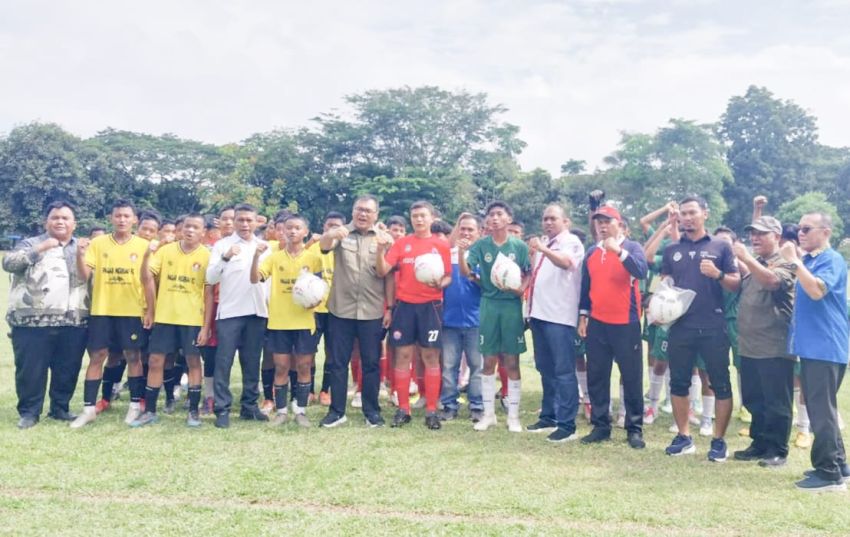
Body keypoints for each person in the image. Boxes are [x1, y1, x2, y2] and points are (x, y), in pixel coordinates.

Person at [659, 196, 740, 461]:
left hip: (713, 325)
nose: (687, 217)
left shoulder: (721, 246)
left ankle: (718, 441)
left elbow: (736, 283)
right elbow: (664, 282)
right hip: (681, 326)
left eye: (692, 212)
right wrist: (659, 303)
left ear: (705, 213)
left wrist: (718, 274)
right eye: (683, 213)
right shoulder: (672, 249)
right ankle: (684, 437)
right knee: (679, 382)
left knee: (720, 383)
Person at [3, 201, 89, 429]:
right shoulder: (31, 243)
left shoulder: (82, 247)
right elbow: (8, 263)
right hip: (32, 321)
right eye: (55, 218)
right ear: (46, 222)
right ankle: (29, 413)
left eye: (65, 218)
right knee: (30, 370)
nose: (60, 222)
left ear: (74, 224)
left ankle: (60, 408)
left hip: (73, 321)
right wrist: (40, 249)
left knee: (68, 368)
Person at [781, 212, 850, 492]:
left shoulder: (831, 259)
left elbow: (817, 291)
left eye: (807, 228)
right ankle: (840, 464)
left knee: (821, 410)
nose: (801, 233)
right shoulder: (810, 260)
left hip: (825, 345)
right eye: (799, 228)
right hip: (813, 346)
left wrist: (795, 261)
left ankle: (828, 473)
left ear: (825, 232)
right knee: (821, 407)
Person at [71, 199, 150, 428]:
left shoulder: (143, 245)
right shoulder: (98, 244)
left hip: (131, 310)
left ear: (134, 219)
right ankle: (88, 409)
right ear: (111, 218)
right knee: (97, 356)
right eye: (118, 216)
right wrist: (80, 255)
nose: (122, 220)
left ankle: (134, 405)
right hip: (102, 310)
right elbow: (85, 276)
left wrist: (149, 310)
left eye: (126, 216)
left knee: (133, 356)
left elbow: (148, 281)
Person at [376, 200, 452, 429]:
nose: (418, 219)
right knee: (403, 356)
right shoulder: (402, 244)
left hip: (431, 307)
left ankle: (431, 410)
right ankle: (403, 409)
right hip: (405, 307)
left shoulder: (441, 245)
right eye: (415, 216)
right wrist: (380, 249)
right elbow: (383, 271)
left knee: (430, 357)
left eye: (423, 215)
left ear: (432, 218)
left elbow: (448, 276)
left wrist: (440, 283)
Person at [319, 195, 392, 428]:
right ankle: (337, 411)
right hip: (341, 309)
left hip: (372, 310)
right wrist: (330, 234)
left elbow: (387, 275)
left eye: (368, 211)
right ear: (352, 211)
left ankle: (372, 412)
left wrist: (390, 308)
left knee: (371, 363)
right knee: (338, 362)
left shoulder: (384, 239)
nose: (363, 214)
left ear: (376, 215)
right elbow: (324, 247)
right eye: (359, 209)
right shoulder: (342, 234)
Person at [578, 206, 648, 449]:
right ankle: (601, 425)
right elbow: (586, 287)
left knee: (631, 377)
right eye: (599, 222)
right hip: (598, 322)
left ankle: (634, 428)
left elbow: (641, 271)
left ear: (619, 224)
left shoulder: (632, 247)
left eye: (607, 221)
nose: (602, 226)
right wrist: (583, 315)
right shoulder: (592, 252)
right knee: (597, 375)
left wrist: (618, 252)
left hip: (626, 322)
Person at [132, 213, 211, 427]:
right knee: (155, 360)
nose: (190, 230)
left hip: (192, 319)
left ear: (203, 232)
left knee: (193, 362)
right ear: (180, 229)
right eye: (187, 226)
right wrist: (148, 254)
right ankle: (149, 411)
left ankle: (193, 411)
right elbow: (146, 277)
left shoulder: (207, 256)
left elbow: (208, 294)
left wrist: (205, 327)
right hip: (165, 317)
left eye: (195, 227)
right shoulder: (165, 251)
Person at [459, 200, 531, 432]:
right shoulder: (481, 245)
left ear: (508, 218)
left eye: (499, 214)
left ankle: (513, 417)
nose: (494, 218)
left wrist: (521, 290)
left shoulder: (519, 246)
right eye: (491, 215)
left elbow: (528, 272)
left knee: (511, 361)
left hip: (511, 307)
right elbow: (467, 271)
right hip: (489, 305)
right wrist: (460, 252)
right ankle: (488, 415)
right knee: (488, 360)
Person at [730, 216, 796, 467]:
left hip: (773, 345)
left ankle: (777, 449)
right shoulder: (757, 262)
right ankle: (759, 443)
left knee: (776, 401)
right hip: (750, 345)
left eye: (761, 234)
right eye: (753, 233)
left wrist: (746, 258)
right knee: (754, 398)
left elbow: (772, 282)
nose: (755, 238)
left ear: (776, 236)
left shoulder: (785, 262)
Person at [252, 214, 324, 428]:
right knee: (281, 367)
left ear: (305, 232)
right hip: (279, 322)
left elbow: (320, 287)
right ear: (282, 231)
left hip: (304, 322)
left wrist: (315, 302)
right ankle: (282, 411)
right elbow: (255, 279)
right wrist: (256, 257)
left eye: (297, 228)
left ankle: (300, 411)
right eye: (289, 228)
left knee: (303, 366)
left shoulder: (314, 259)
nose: (292, 231)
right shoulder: (273, 258)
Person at [205, 203, 270, 428]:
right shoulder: (222, 245)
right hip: (230, 312)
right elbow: (210, 278)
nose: (244, 224)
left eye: (249, 220)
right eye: (240, 220)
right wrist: (225, 258)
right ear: (233, 222)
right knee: (223, 362)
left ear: (256, 222)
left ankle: (249, 406)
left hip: (257, 311)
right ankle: (222, 409)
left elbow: (269, 282)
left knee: (251, 361)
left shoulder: (265, 247)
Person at [526, 204, 585, 443]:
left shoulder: (571, 242)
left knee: (563, 371)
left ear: (565, 221)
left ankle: (567, 424)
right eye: (545, 219)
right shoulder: (545, 243)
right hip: (539, 315)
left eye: (553, 218)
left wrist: (542, 249)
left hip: (560, 317)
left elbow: (566, 263)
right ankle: (548, 415)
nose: (548, 222)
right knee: (545, 368)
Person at [439, 213, 484, 423]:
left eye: (470, 229)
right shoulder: (447, 255)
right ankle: (449, 405)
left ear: (479, 232)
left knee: (477, 366)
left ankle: (477, 405)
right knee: (449, 366)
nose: (465, 233)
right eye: (462, 228)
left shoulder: (483, 256)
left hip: (477, 321)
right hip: (449, 321)